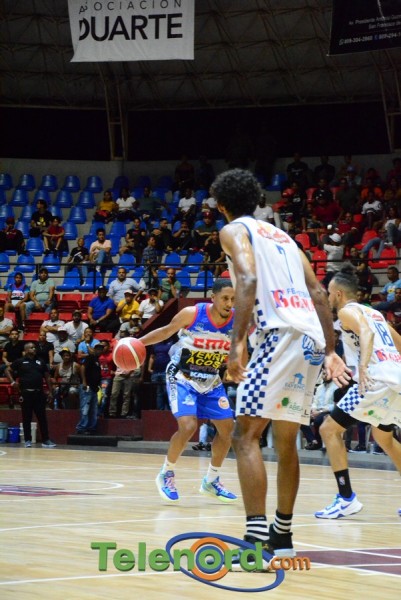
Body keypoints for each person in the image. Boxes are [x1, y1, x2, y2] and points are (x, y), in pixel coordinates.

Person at [211, 168, 350, 558]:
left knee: (245, 435)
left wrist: (237, 344)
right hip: (310, 338)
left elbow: (247, 280)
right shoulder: (284, 236)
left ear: (220, 205)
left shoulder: (233, 230)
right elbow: (318, 292)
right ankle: (282, 538)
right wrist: (330, 350)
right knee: (286, 440)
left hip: (280, 335)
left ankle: (255, 541)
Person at [139, 279, 238, 503]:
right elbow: (165, 331)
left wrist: (237, 365)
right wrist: (138, 342)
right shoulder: (192, 314)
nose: (229, 303)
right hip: (182, 376)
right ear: (213, 297)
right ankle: (166, 473)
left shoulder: (237, 321)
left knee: (228, 430)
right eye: (225, 298)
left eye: (233, 299)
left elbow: (239, 348)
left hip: (210, 380)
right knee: (188, 425)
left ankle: (211, 481)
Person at [315, 267, 401, 519]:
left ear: (338, 294)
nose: (328, 298)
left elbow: (366, 333)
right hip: (395, 379)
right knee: (384, 438)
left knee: (328, 429)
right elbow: (398, 342)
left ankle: (346, 499)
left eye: (329, 293)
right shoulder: (375, 313)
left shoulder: (347, 312)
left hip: (374, 380)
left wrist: (363, 366)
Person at [5, 342, 56, 448]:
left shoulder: (41, 361)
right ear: (26, 350)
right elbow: (7, 370)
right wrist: (13, 382)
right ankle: (27, 440)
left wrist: (50, 392)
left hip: (39, 393)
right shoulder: (20, 361)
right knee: (26, 417)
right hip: (26, 393)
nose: (34, 349)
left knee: (42, 417)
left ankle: (46, 440)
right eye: (32, 347)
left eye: (34, 347)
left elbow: (47, 377)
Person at [76, 342, 104, 435]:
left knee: (93, 409)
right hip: (87, 387)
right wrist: (84, 381)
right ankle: (81, 427)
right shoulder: (90, 357)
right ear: (94, 350)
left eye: (101, 349)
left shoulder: (97, 360)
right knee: (85, 408)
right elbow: (82, 368)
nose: (100, 351)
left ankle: (91, 427)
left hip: (94, 388)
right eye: (98, 349)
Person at [147, 338, 175, 410]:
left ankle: (168, 410)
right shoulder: (155, 344)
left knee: (167, 391)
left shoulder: (171, 343)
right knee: (158, 393)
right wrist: (149, 368)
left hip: (166, 371)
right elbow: (152, 357)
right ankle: (160, 410)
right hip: (156, 371)